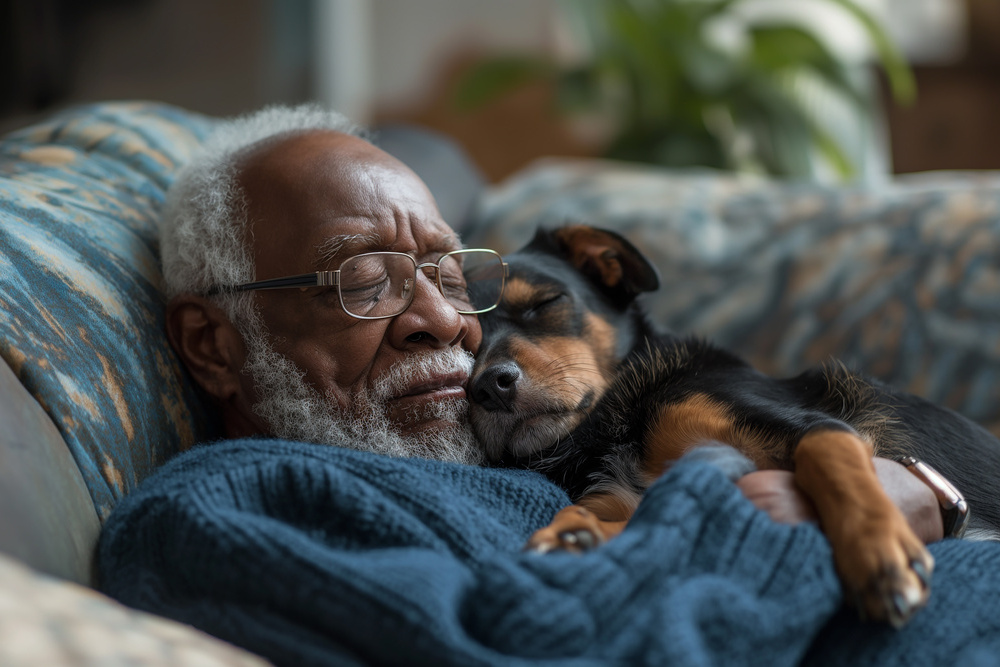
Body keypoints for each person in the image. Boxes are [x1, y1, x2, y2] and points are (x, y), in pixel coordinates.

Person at [98, 104, 1000, 666]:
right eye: (365, 281)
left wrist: (925, 491)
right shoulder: (218, 512)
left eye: (450, 277)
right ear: (213, 345)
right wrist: (818, 510)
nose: (444, 323)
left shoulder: (547, 459)